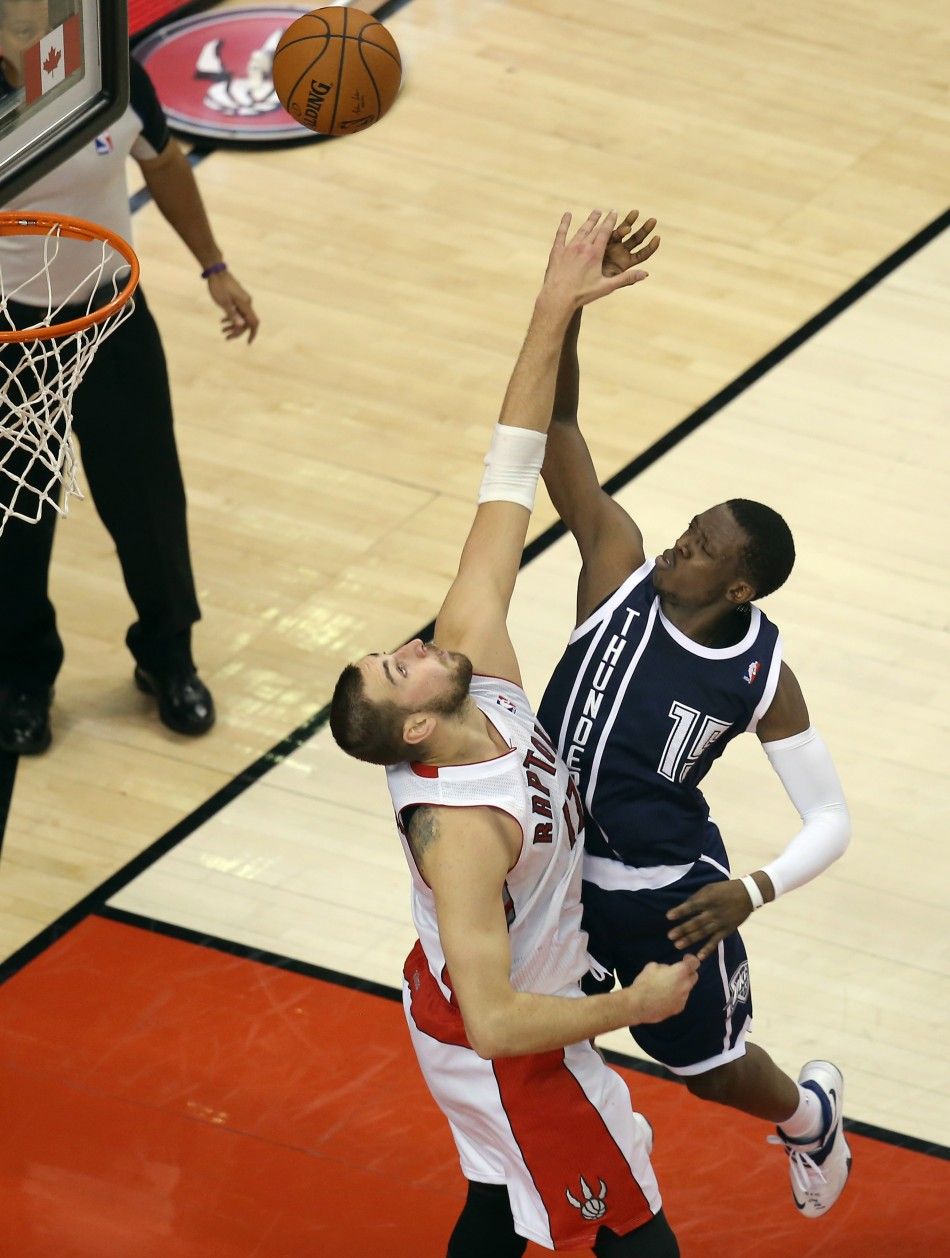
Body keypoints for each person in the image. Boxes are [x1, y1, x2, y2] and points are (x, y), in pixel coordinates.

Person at [330, 211, 700, 1258]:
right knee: (629, 1219)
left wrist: (554, 304)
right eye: (398, 663)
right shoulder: (461, 837)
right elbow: (495, 1022)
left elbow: (507, 467)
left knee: (497, 1201)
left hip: (471, 1005)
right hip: (500, 1039)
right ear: (416, 724)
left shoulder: (470, 665)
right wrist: (629, 1003)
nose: (413, 641)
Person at [535, 213, 853, 1219]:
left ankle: (808, 1116)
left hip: (666, 897)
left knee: (709, 1072)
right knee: (533, 1039)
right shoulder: (612, 568)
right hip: (550, 870)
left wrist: (749, 890)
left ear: (740, 584)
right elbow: (554, 431)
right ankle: (565, 1196)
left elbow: (830, 820)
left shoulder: (761, 675)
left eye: (701, 543)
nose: (677, 543)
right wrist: (567, 312)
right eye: (686, 527)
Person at [0, 40, 258, 753]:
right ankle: (22, 679)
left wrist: (216, 266)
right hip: (10, 337)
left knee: (148, 502)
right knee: (15, 523)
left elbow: (165, 163)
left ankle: (168, 657)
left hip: (110, 321)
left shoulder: (106, 74)